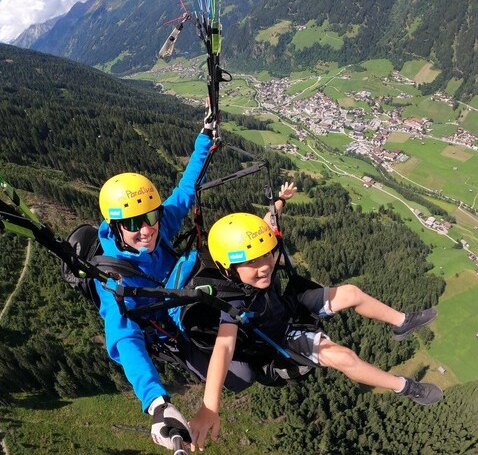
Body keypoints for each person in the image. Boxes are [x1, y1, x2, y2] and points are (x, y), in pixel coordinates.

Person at [188, 184, 443, 451]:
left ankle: (402, 322)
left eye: (266, 255)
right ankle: (406, 388)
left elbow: (264, 228)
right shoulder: (231, 300)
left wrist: (278, 203)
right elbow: (224, 348)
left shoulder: (247, 257)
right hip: (281, 341)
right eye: (252, 262)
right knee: (343, 357)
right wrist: (209, 407)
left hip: (287, 307)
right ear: (228, 268)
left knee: (350, 292)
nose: (264, 266)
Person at [94, 106, 215, 451]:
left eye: (150, 217)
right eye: (133, 223)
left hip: (182, 296)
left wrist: (204, 138)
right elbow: (124, 339)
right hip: (167, 323)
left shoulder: (158, 230)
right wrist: (157, 402)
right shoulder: (113, 278)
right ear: (117, 227)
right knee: (233, 374)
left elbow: (186, 189)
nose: (145, 230)